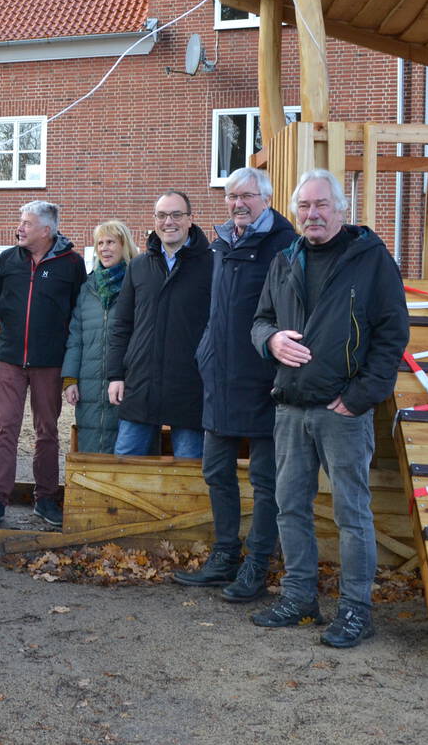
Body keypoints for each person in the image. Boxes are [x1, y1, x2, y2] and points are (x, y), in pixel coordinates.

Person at [249, 169, 409, 648]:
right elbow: (259, 321)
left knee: (351, 513)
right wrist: (271, 340)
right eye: (304, 206)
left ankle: (356, 610)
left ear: (341, 210)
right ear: (295, 212)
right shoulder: (284, 259)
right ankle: (300, 599)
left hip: (342, 411)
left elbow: (392, 334)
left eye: (322, 205)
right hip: (291, 407)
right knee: (290, 507)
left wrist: (361, 397)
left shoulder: (371, 260)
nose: (312, 214)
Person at [172, 168, 296, 601]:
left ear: (267, 197)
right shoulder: (222, 242)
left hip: (265, 378)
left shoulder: (285, 244)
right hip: (220, 376)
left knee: (265, 480)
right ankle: (225, 556)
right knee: (216, 471)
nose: (237, 203)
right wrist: (206, 351)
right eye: (230, 196)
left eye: (246, 195)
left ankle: (258, 565)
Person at [0, 201, 84, 529]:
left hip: (49, 363)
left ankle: (46, 499)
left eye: (26, 223)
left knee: (47, 431)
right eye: (19, 221)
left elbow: (76, 314)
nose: (19, 228)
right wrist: (12, 339)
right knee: (4, 427)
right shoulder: (7, 260)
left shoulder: (71, 264)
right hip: (10, 358)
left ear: (46, 230)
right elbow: (1, 305)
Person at [105, 190, 212, 458]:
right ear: (154, 220)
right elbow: (122, 325)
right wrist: (115, 375)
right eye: (162, 215)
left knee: (188, 473)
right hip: (141, 383)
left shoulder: (212, 265)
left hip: (190, 384)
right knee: (126, 465)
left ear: (190, 219)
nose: (169, 222)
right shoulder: (139, 266)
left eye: (177, 215)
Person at [61, 220, 138, 453]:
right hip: (89, 383)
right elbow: (76, 337)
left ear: (124, 245)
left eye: (111, 242)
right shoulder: (88, 287)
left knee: (127, 450)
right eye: (100, 243)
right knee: (90, 447)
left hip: (127, 381)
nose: (104, 248)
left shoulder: (137, 283)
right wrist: (70, 379)